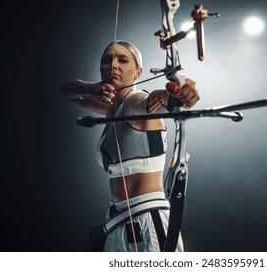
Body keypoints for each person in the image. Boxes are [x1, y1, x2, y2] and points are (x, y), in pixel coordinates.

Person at [60, 40, 200, 252]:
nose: (113, 65)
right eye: (107, 60)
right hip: (119, 221)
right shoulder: (110, 109)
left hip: (146, 220)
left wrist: (179, 93)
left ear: (138, 72)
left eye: (122, 60)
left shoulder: (137, 103)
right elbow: (66, 91)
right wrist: (91, 89)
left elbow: (160, 100)